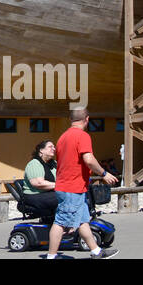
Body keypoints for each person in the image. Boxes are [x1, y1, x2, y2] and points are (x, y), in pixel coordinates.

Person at [46, 108, 119, 259]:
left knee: (82, 221)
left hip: (70, 186)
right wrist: (104, 173)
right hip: (71, 187)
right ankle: (51, 256)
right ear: (87, 119)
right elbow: (89, 160)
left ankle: (96, 252)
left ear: (70, 119)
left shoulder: (62, 137)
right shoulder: (83, 136)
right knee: (60, 222)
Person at [20, 140, 58, 220]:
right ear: (41, 150)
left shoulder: (53, 164)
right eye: (50, 147)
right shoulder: (34, 164)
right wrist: (60, 185)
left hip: (49, 194)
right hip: (34, 196)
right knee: (64, 197)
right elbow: (38, 183)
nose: (54, 149)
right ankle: (62, 225)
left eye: (54, 147)